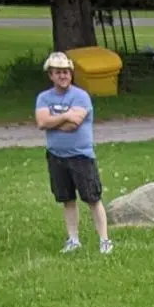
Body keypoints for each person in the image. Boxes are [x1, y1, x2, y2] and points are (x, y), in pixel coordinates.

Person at [34, 51, 111, 254]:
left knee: (92, 198)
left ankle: (104, 240)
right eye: (58, 72)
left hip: (81, 155)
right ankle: (73, 239)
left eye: (66, 72)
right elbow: (41, 122)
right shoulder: (43, 97)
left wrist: (55, 121)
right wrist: (65, 116)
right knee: (67, 199)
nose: (63, 76)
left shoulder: (81, 96)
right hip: (56, 156)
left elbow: (74, 124)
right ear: (50, 75)